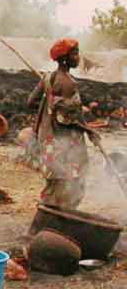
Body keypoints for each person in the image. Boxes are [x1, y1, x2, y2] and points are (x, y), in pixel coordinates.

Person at [27, 38, 100, 209]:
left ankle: (47, 216)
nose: (78, 57)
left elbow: (31, 102)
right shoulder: (69, 83)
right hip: (66, 144)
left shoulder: (48, 78)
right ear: (65, 58)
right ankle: (61, 220)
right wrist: (90, 132)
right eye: (74, 54)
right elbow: (74, 118)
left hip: (50, 141)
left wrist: (49, 109)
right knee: (74, 180)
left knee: (55, 182)